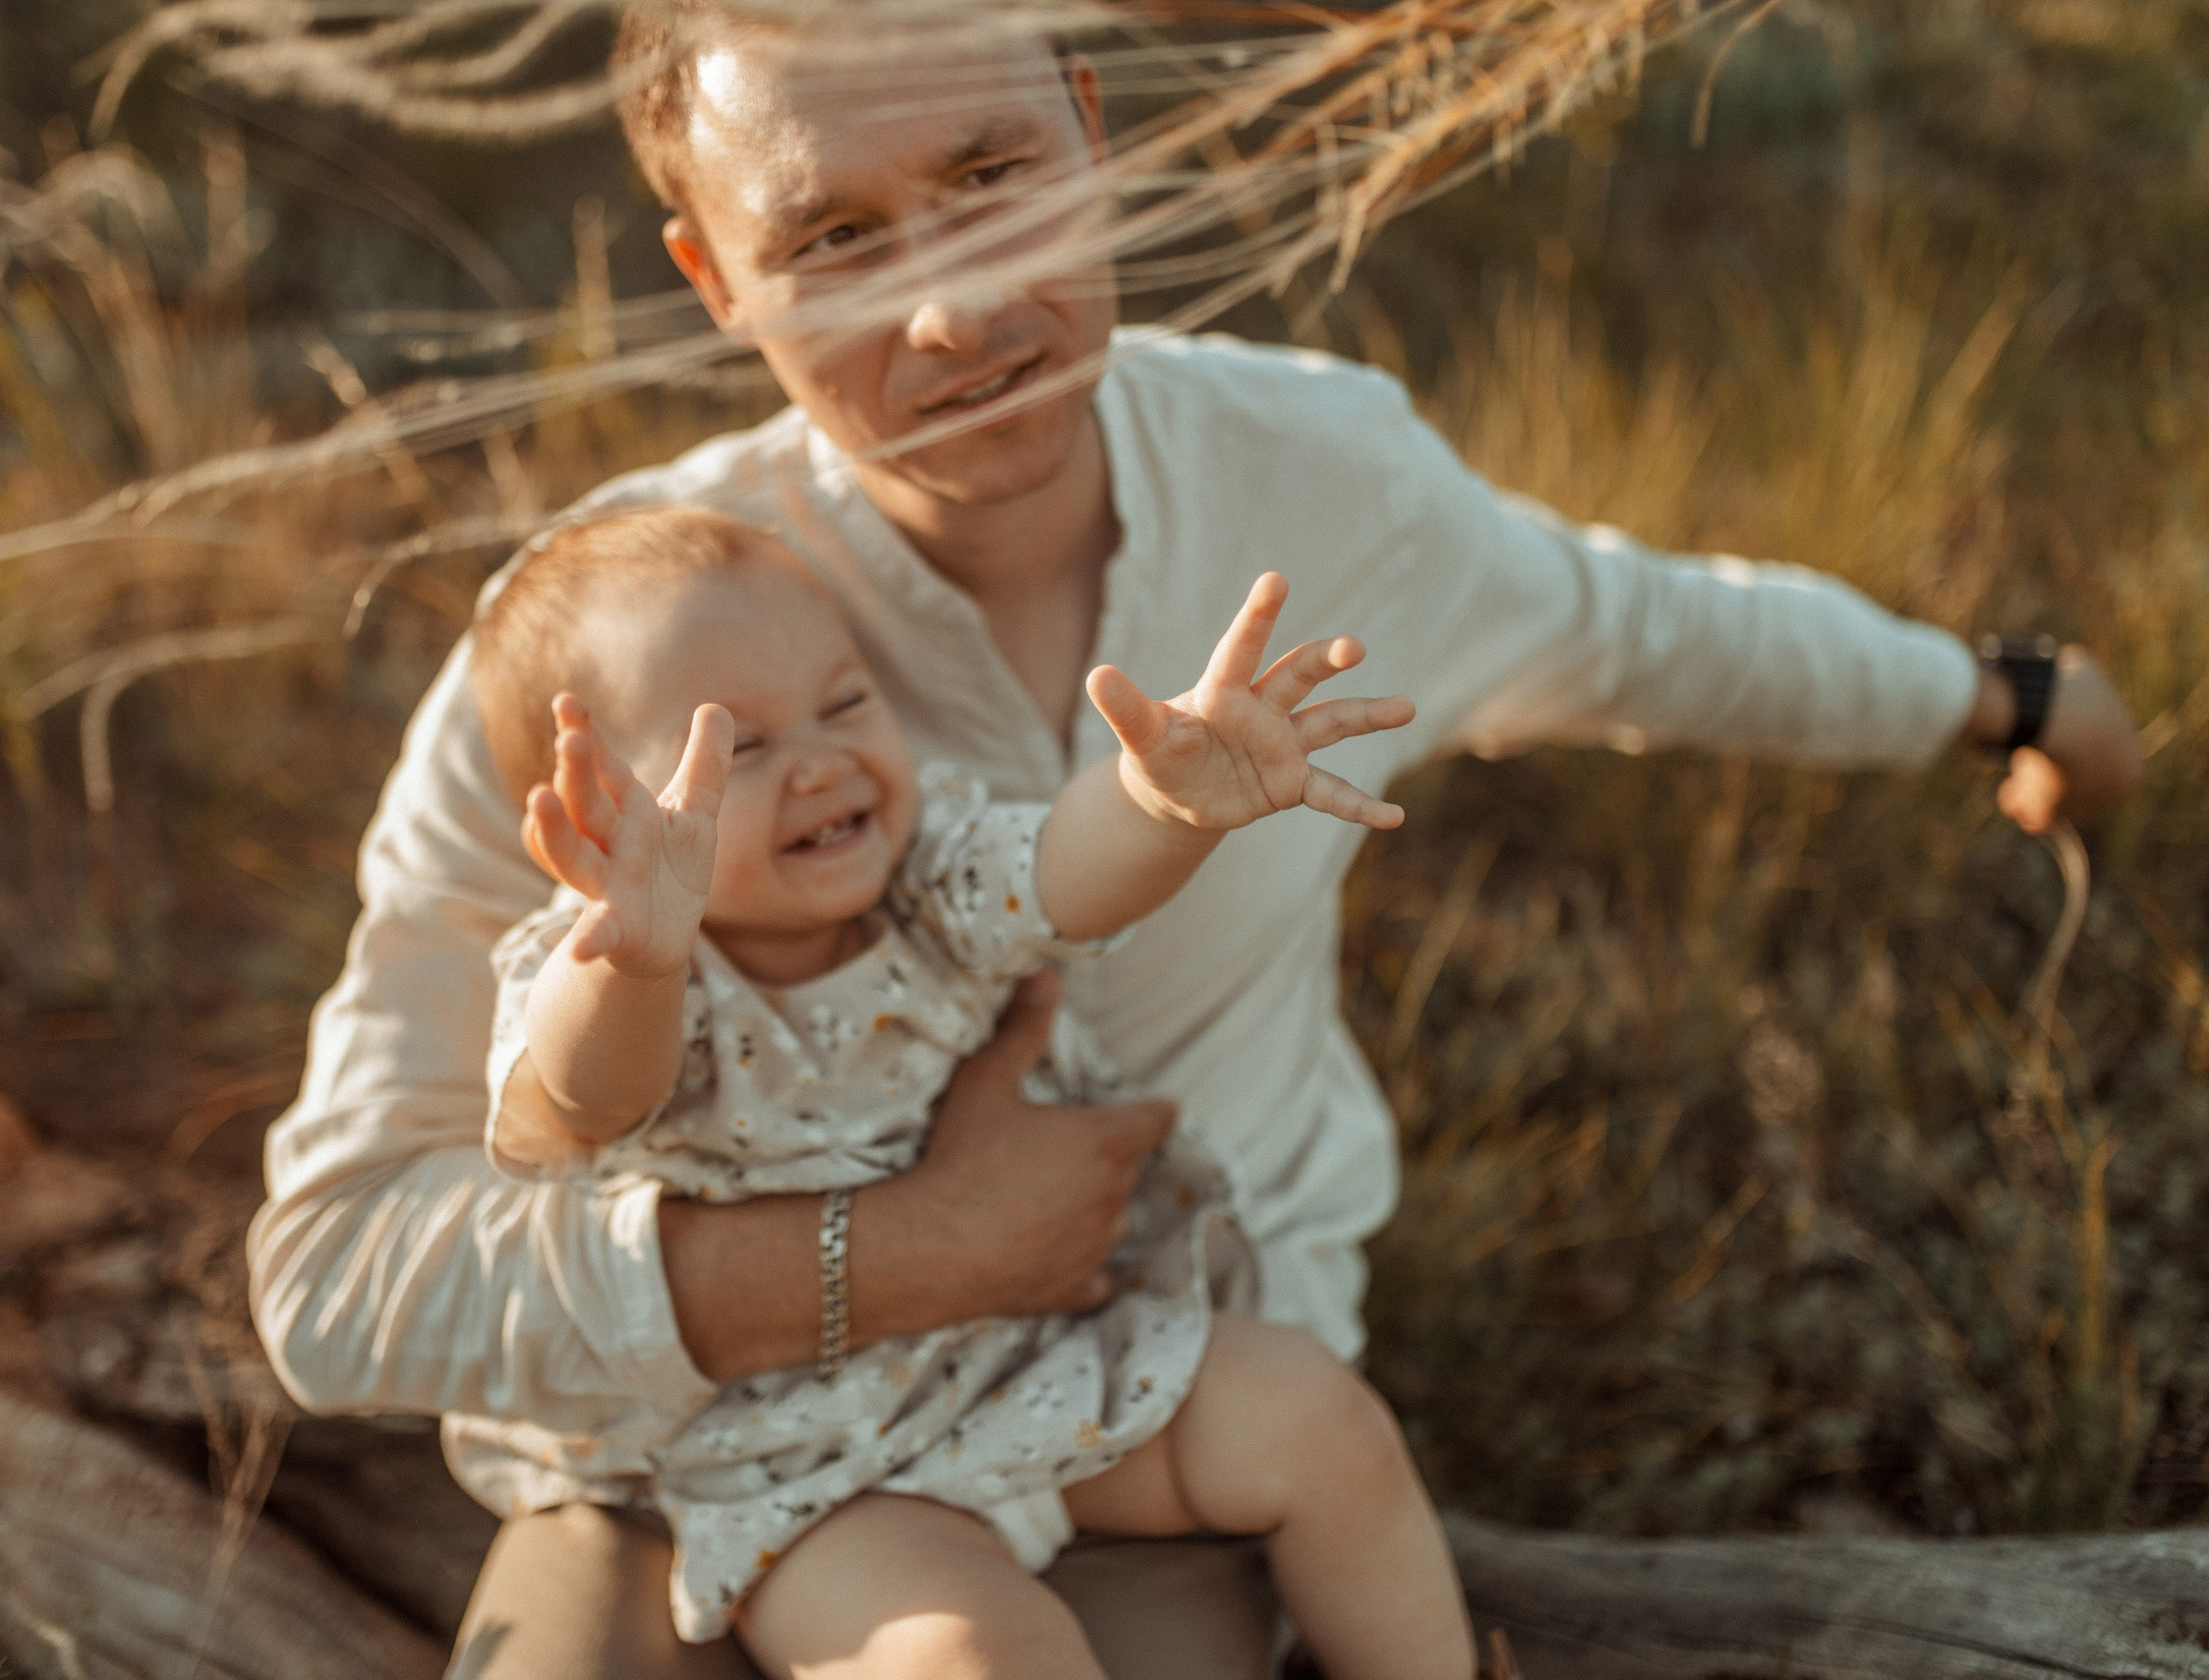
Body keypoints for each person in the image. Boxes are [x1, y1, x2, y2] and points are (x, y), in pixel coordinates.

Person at [245, 7, 2148, 1678]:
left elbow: (1649, 627)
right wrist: (892, 1253)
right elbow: (332, 1269)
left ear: (1091, 122)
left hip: (1150, 1376)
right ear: (713, 276)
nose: (953, 311)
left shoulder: (1323, 477)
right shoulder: (616, 649)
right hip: (680, 1442)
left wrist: (1994, 688)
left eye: (993, 174)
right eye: (831, 239)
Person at [463, 504, 1465, 1676]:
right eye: (739, 750)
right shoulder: (610, 973)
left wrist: (1162, 804)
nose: (824, 761)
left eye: (843, 703)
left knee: (1318, 1416)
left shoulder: (924, 867)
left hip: (1040, 1352)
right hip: (819, 1464)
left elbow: (1057, 874)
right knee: (974, 1654)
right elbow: (590, 1095)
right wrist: (634, 957)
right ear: (599, 818)